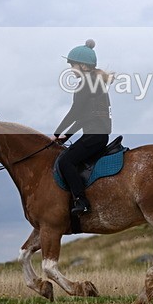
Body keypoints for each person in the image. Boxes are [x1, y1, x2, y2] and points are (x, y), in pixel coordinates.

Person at [54, 39, 113, 216]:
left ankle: (82, 201)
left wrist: (57, 133)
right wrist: (66, 135)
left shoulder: (86, 83)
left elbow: (75, 112)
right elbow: (83, 117)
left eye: (73, 65)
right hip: (97, 134)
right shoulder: (95, 82)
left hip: (94, 136)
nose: (71, 68)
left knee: (65, 161)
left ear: (84, 67)